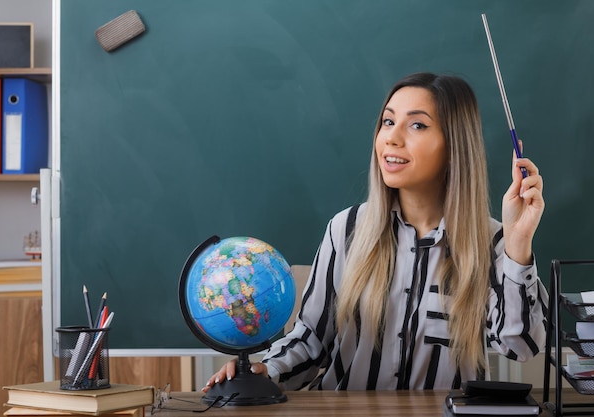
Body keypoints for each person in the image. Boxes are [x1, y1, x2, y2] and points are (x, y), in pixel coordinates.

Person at [203, 72, 547, 391]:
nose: (392, 138)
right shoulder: (346, 229)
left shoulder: (492, 241)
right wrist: (269, 371)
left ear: (454, 147)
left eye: (416, 125)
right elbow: (311, 339)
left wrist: (519, 246)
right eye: (388, 121)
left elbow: (521, 345)